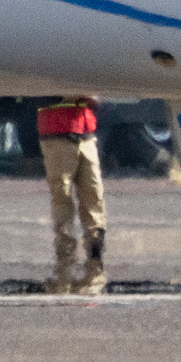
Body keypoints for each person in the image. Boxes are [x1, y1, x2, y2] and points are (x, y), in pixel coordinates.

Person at [38, 95, 107, 294]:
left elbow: (98, 100)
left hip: (85, 134)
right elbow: (40, 94)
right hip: (58, 134)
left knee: (94, 201)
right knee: (63, 202)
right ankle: (64, 273)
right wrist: (78, 94)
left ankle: (95, 271)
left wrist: (92, 97)